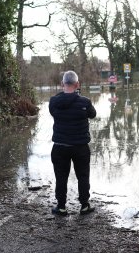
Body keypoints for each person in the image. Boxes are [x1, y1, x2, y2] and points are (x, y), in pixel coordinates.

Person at [49, 70, 97, 216]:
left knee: (61, 177)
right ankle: (84, 206)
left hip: (60, 147)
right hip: (80, 147)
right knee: (83, 176)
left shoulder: (54, 102)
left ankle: (61, 207)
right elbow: (93, 115)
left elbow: (54, 111)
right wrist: (78, 96)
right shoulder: (85, 102)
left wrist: (64, 94)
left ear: (62, 84)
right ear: (77, 84)